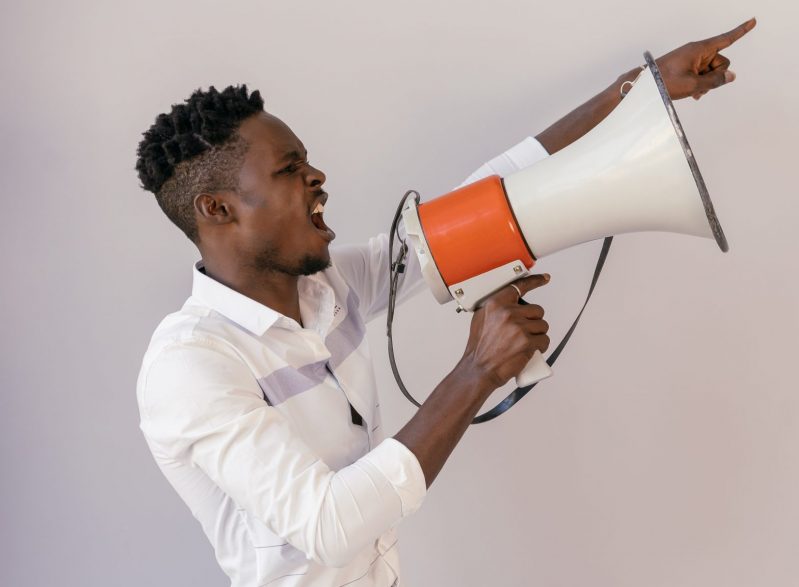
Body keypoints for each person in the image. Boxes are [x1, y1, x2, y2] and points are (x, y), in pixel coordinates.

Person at [134, 18, 755, 587]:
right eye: (290, 169)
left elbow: (474, 206)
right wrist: (477, 371)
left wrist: (636, 90)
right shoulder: (191, 365)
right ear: (216, 209)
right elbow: (329, 525)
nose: (317, 177)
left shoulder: (327, 288)